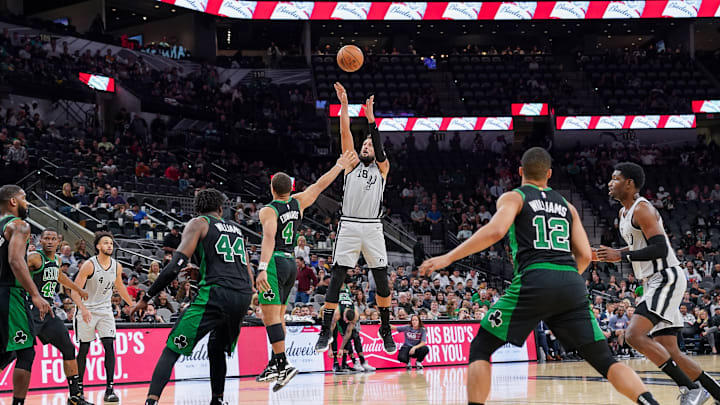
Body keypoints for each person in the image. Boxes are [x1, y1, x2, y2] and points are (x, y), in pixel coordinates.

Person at [419, 148, 660, 405]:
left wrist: (448, 257)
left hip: (534, 279)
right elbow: (585, 256)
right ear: (549, 174)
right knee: (604, 360)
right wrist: (562, 280)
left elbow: (496, 230)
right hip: (571, 282)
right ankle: (650, 402)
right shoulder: (567, 206)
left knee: (481, 348)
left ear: (521, 172)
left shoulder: (515, 196)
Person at [598, 162, 720, 403]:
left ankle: (691, 388)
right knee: (671, 350)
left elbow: (660, 248)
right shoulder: (624, 213)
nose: (610, 183)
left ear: (630, 184)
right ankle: (715, 392)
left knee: (633, 335)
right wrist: (606, 253)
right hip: (655, 280)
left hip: (665, 277)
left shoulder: (642, 209)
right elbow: (637, 246)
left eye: (615, 179)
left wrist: (620, 255)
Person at [133, 189, 254, 405]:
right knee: (216, 347)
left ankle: (151, 402)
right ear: (220, 208)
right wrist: (201, 273)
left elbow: (175, 266)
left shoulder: (199, 223)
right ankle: (218, 400)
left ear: (197, 210)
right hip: (243, 295)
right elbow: (244, 270)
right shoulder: (236, 229)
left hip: (217, 294)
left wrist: (147, 297)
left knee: (171, 348)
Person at [254, 151, 357, 390]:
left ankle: (282, 364)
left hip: (274, 263)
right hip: (291, 264)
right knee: (279, 316)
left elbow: (268, 238)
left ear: (272, 188)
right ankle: (274, 363)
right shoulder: (299, 201)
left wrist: (261, 267)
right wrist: (339, 165)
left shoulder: (268, 210)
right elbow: (319, 184)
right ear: (290, 187)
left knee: (270, 317)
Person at [316, 83, 395, 355]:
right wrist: (345, 104)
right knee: (336, 279)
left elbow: (380, 148)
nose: (365, 146)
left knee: (383, 282)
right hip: (349, 224)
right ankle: (325, 329)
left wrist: (371, 120)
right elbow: (345, 131)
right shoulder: (350, 163)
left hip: (373, 227)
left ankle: (385, 327)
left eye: (370, 144)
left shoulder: (382, 168)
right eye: (364, 143)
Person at [0, 185, 53, 405]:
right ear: (13, 201)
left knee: (4, 353)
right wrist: (35, 294)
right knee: (25, 352)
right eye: (24, 199)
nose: (27, 203)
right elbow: (15, 260)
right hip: (10, 294)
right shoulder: (19, 225)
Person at [26, 229, 92, 405]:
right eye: (45, 238)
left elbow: (59, 276)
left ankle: (75, 397)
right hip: (31, 309)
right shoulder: (34, 257)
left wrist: (78, 289)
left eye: (52, 238)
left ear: (59, 241)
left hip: (48, 313)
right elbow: (17, 272)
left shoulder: (57, 259)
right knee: (14, 353)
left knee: (68, 349)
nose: (49, 241)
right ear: (40, 240)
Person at [71, 232, 135, 403]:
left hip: (105, 310)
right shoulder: (89, 265)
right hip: (87, 310)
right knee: (84, 349)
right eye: (106, 243)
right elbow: (74, 291)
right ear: (98, 246)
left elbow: (120, 287)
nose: (109, 246)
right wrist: (82, 309)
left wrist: (132, 304)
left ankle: (110, 388)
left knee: (109, 346)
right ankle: (79, 389)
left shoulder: (117, 266)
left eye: (111, 244)